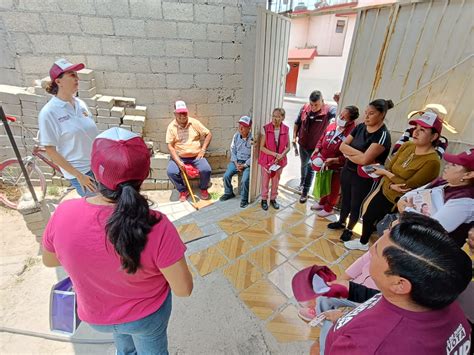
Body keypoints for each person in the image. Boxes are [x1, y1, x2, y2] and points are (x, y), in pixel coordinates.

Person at [42, 128, 193, 354]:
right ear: (145, 173)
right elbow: (183, 289)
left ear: (94, 170)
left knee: (124, 344)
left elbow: (50, 261)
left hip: (97, 317)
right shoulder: (157, 225)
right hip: (146, 318)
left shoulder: (64, 213)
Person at [323, 213, 472, 355]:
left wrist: (318, 349)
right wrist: (346, 318)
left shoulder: (366, 346)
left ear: (400, 284)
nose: (371, 253)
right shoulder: (442, 298)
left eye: (375, 250)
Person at [344, 111, 442, 251]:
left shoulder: (432, 162)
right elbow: (390, 166)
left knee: (390, 230)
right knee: (368, 215)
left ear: (434, 136)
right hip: (386, 190)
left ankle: (383, 252)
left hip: (401, 203)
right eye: (416, 128)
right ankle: (363, 242)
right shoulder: (407, 146)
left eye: (422, 130)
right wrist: (389, 178)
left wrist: (386, 174)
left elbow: (407, 186)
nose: (416, 132)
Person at [328, 99, 393, 243]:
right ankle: (341, 221)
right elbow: (342, 146)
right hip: (348, 170)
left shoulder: (382, 135)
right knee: (345, 199)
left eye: (371, 114)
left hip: (364, 177)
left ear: (382, 115)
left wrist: (351, 154)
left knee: (355, 204)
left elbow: (365, 161)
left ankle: (349, 229)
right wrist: (358, 155)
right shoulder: (360, 127)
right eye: (366, 113)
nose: (366, 117)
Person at [39, 58, 98, 197]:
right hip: (82, 173)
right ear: (58, 81)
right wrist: (79, 176)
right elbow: (51, 151)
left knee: (110, 205)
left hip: (97, 166)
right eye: (71, 75)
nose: (77, 78)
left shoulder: (80, 104)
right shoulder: (49, 113)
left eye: (76, 74)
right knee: (99, 210)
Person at [397, 148, 474, 247]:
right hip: (411, 235)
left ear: (469, 174)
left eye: (454, 165)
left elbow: (434, 227)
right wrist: (403, 202)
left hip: (428, 248)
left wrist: (407, 211)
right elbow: (411, 194)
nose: (447, 166)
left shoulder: (466, 200)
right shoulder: (444, 181)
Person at [310, 105, 359, 217]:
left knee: (333, 187)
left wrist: (335, 160)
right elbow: (322, 137)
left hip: (336, 166)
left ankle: (329, 208)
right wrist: (317, 148)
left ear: (351, 120)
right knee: (323, 182)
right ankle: (322, 203)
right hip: (324, 161)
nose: (340, 118)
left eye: (344, 117)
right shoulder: (333, 125)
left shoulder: (352, 133)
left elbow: (348, 154)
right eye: (340, 115)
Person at [293, 90, 336, 203]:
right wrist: (294, 137)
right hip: (302, 144)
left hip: (315, 148)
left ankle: (305, 192)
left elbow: (339, 113)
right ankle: (302, 183)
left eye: (316, 104)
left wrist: (339, 101)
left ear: (322, 101)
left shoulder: (329, 110)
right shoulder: (305, 108)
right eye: (311, 104)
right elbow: (297, 123)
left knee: (310, 168)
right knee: (303, 165)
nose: (313, 107)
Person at [166, 100, 213, 202]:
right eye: (180, 113)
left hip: (196, 156)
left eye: (184, 113)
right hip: (179, 157)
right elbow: (170, 147)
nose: (183, 116)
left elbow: (208, 134)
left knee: (206, 170)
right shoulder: (171, 127)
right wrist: (179, 163)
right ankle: (183, 190)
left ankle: (203, 188)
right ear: (175, 113)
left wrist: (203, 150)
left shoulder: (194, 123)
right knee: (171, 172)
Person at [258, 108, 290, 211]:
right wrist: (275, 154)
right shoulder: (266, 128)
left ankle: (273, 199)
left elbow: (288, 147)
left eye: (278, 116)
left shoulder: (286, 129)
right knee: (265, 181)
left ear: (283, 118)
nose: (275, 118)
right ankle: (264, 199)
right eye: (273, 116)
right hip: (267, 160)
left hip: (279, 161)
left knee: (276, 181)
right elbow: (262, 147)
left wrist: (281, 155)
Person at [220, 115, 253, 208]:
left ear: (249, 128)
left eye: (244, 127)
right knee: (226, 175)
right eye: (240, 126)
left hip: (247, 163)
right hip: (236, 161)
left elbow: (254, 155)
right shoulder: (236, 136)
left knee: (245, 180)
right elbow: (233, 150)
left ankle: (244, 199)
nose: (241, 128)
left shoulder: (252, 139)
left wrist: (245, 165)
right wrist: (236, 163)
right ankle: (229, 192)